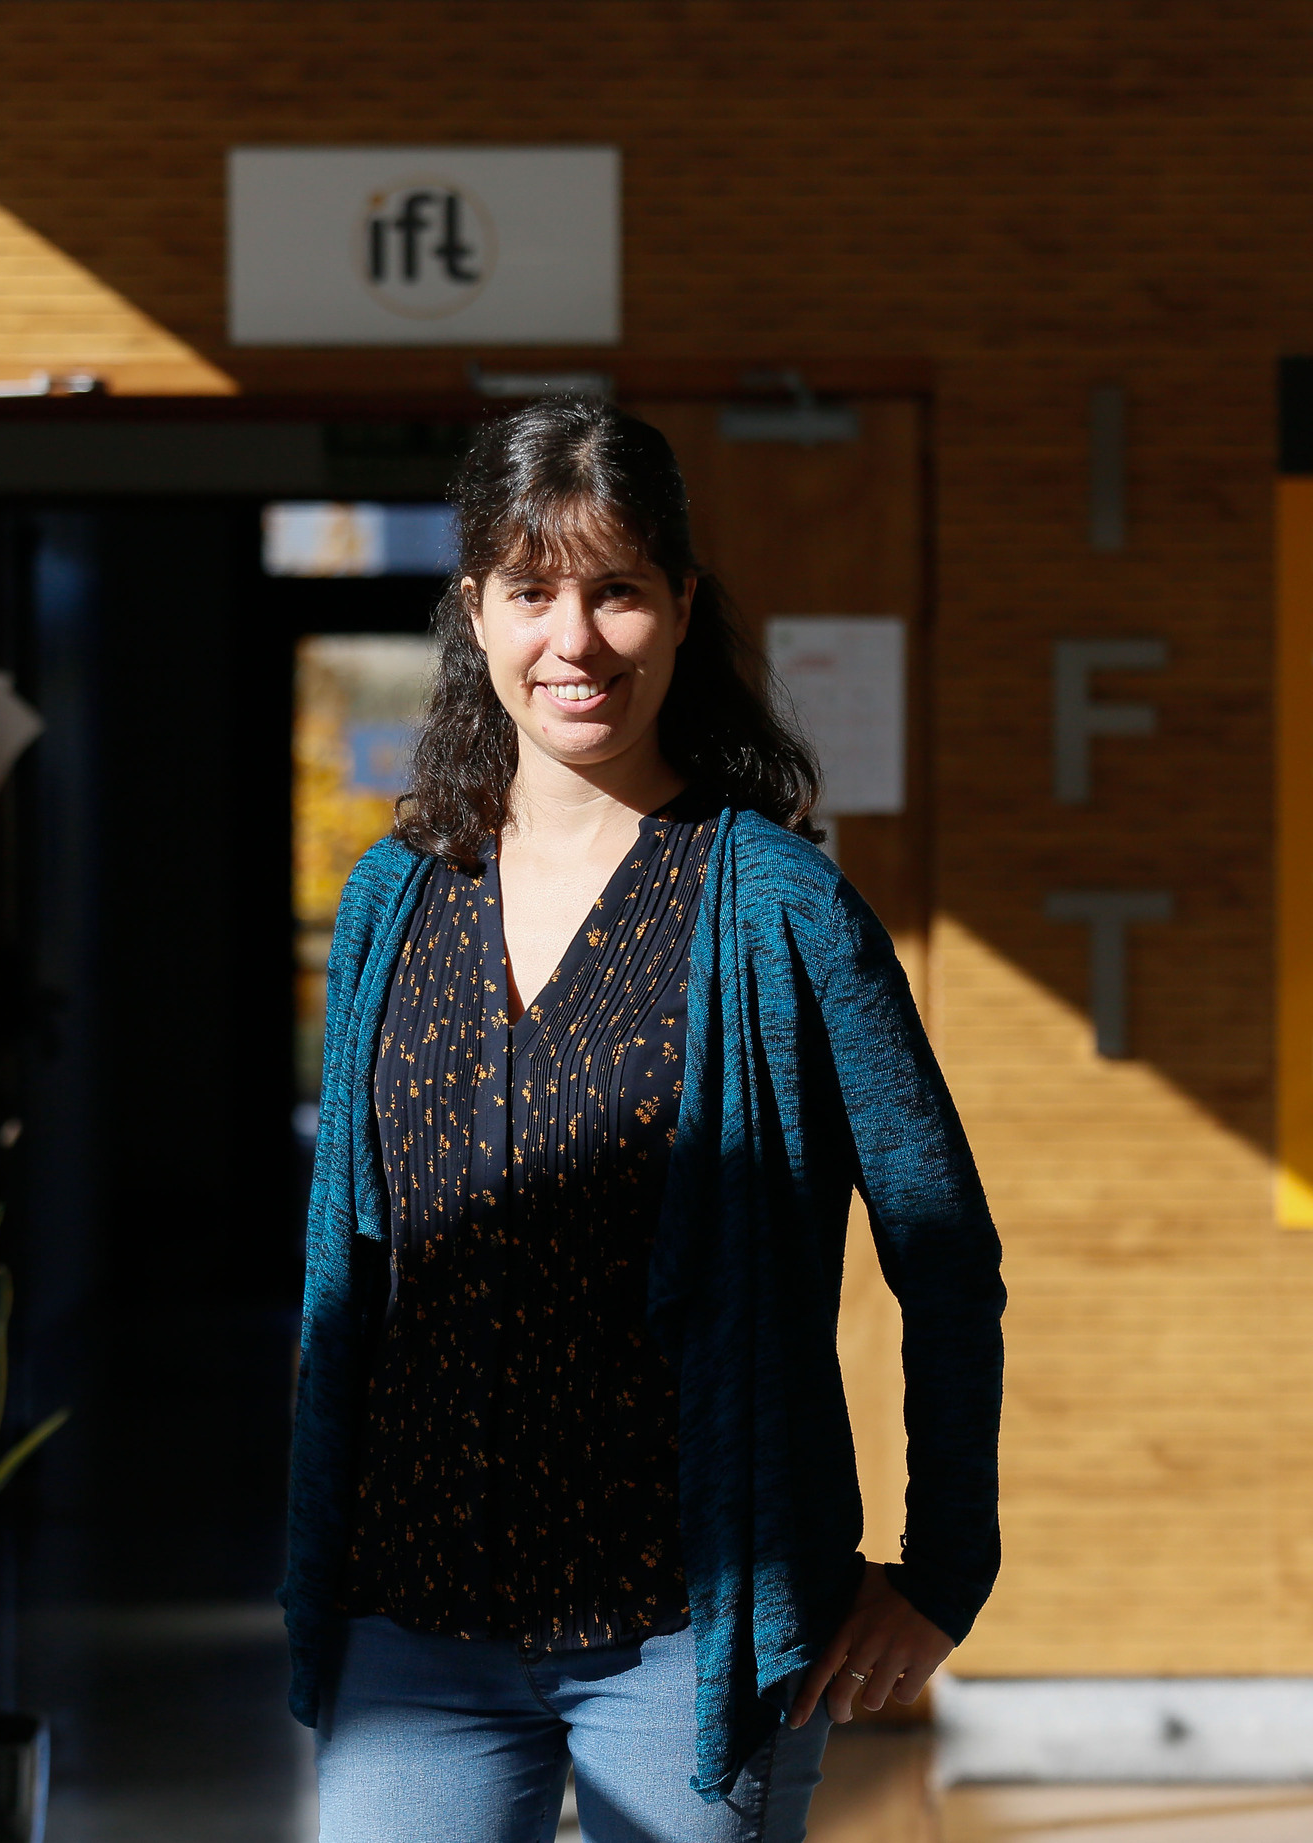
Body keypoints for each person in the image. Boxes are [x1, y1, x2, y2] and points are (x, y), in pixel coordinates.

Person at [285, 397, 1004, 1843]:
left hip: (691, 1628)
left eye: (616, 590)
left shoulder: (781, 910)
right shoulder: (391, 902)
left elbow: (942, 1251)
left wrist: (941, 1571)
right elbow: (344, 1283)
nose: (576, 640)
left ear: (680, 607)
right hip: (416, 1615)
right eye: (534, 591)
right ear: (474, 609)